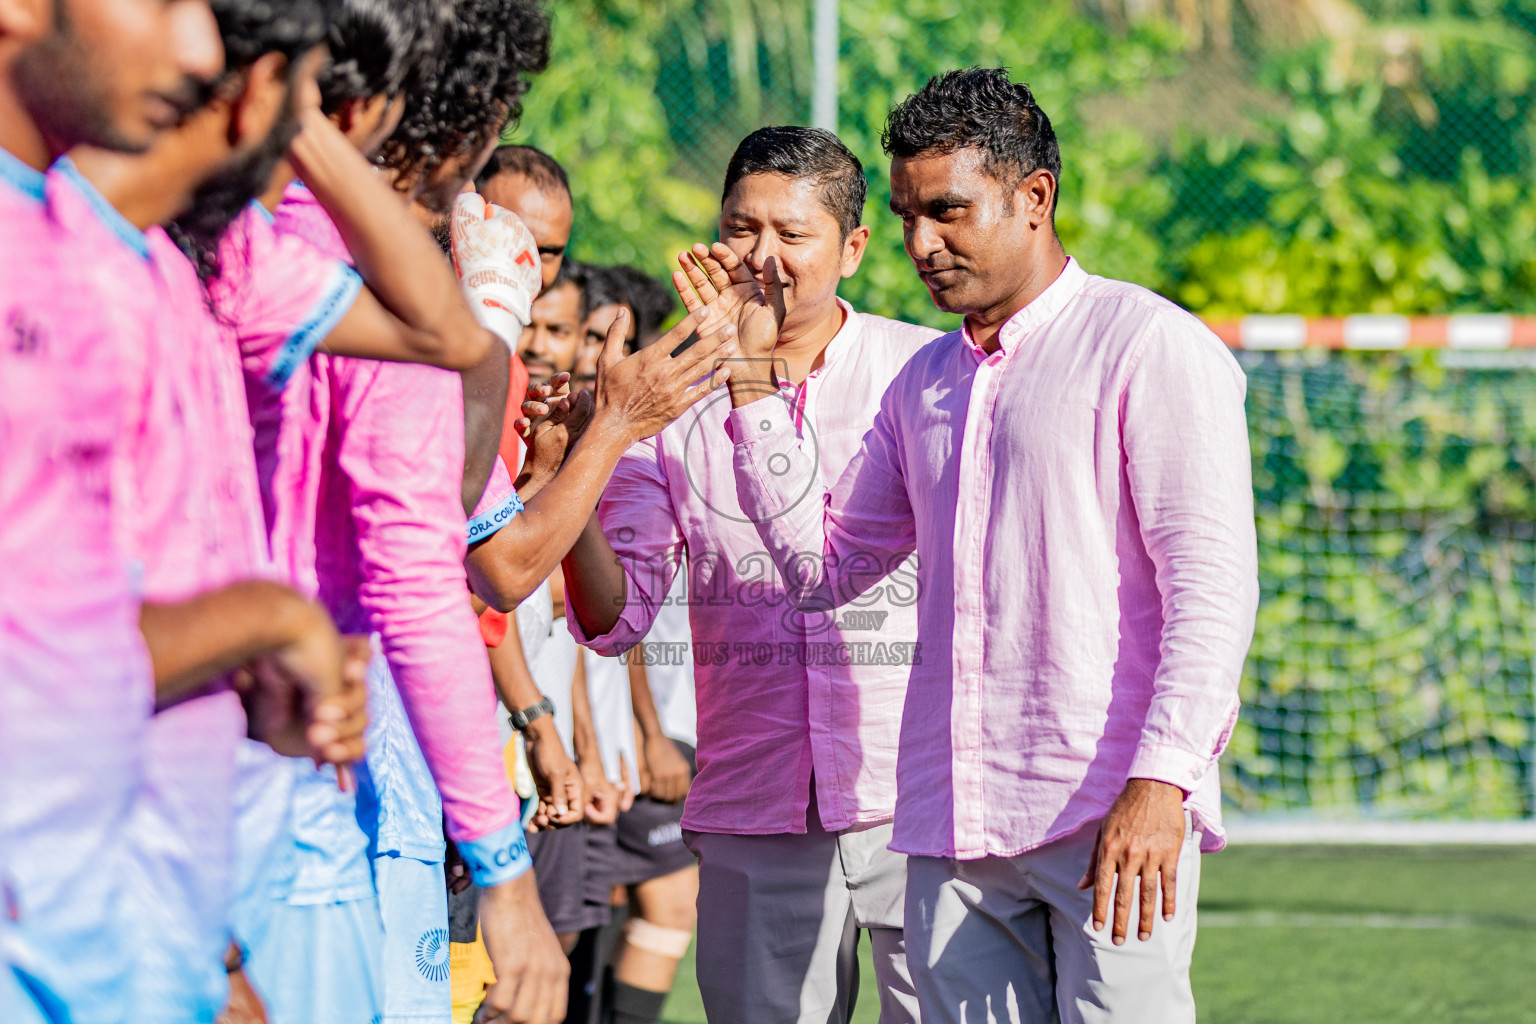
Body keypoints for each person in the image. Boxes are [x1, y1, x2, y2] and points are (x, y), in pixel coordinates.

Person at [721, 69, 1259, 1024]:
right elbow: (822, 567)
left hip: (1106, 812)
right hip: (950, 821)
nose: (921, 244)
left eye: (948, 212)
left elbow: (1211, 590)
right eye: (906, 216)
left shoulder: (1148, 346)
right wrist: (754, 385)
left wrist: (1164, 780)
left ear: (1035, 197)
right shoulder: (925, 382)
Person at [1, 2, 362, 1021]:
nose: (202, 51)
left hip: (115, 942)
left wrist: (213, 951)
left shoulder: (79, 254)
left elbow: (71, 633)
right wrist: (266, 620)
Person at [562, 125, 940, 1024]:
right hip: (753, 806)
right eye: (741, 227)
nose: (761, 256)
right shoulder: (666, 398)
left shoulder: (923, 374)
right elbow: (618, 620)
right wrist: (570, 475)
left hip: (915, 800)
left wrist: (749, 380)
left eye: (792, 234)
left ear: (851, 248)